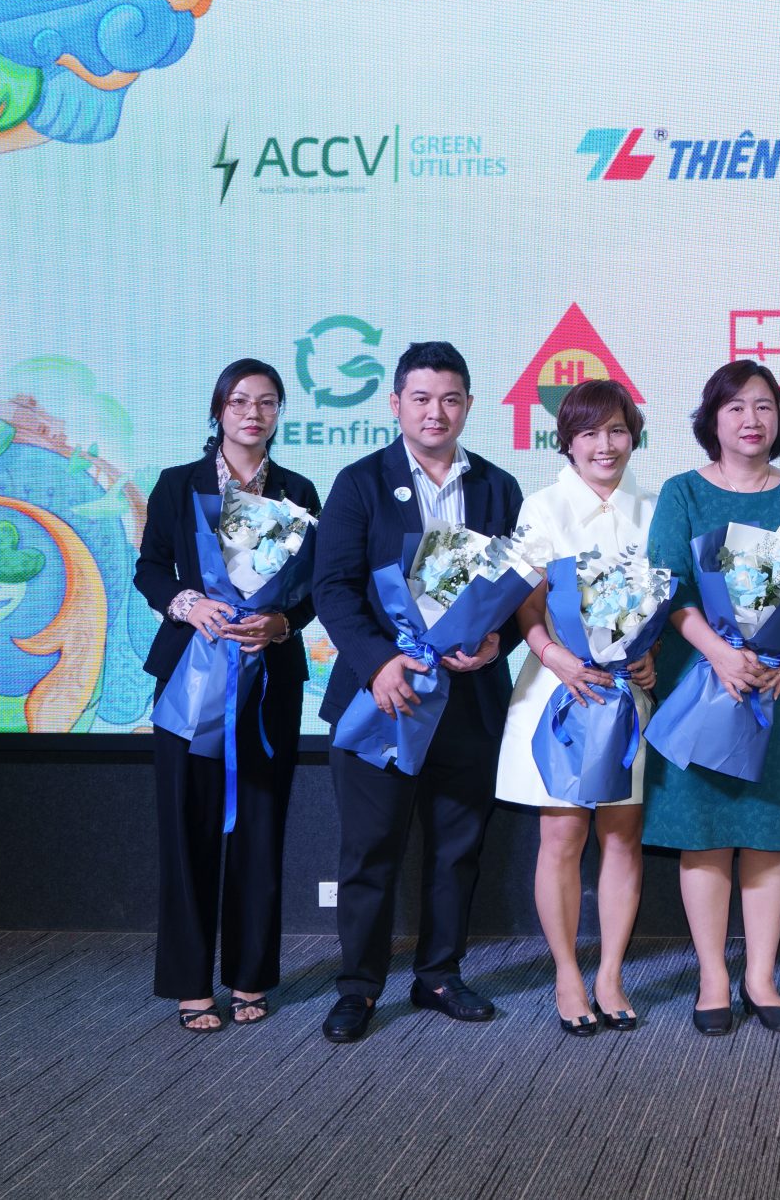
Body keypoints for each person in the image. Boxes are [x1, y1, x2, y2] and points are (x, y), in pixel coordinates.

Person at [311, 340, 522, 1044]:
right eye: (422, 398)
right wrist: (378, 663)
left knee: (457, 848)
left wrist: (497, 641)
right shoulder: (359, 483)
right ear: (396, 403)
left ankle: (438, 974)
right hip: (385, 697)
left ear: (469, 405)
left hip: (468, 698)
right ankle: (358, 987)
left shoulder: (498, 486)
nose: (437, 412)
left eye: (450, 398)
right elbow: (332, 587)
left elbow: (516, 589)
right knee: (369, 851)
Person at [134, 358, 322, 1032]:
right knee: (186, 832)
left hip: (268, 680)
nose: (252, 413)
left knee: (261, 831)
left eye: (266, 402)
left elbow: (316, 587)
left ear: (278, 414)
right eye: (239, 401)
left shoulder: (299, 491)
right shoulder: (177, 484)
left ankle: (249, 977)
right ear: (218, 410)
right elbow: (149, 569)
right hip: (191, 675)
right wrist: (189, 604)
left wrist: (281, 623)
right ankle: (190, 983)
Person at [643, 360, 780, 1035]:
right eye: (736, 407)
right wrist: (720, 653)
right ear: (712, 419)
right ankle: (713, 978)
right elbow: (667, 587)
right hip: (702, 683)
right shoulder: (683, 491)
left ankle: (761, 978)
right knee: (705, 835)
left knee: (767, 835)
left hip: (779, 688)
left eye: (764, 406)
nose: (752, 420)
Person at [495, 379, 660, 1036]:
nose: (604, 445)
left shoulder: (655, 508)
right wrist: (551, 654)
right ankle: (567, 974)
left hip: (627, 695)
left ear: (633, 436)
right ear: (566, 442)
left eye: (617, 430)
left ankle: (611, 973)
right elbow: (525, 600)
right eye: (589, 433)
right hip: (557, 690)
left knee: (622, 834)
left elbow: (665, 603)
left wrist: (652, 657)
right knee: (562, 835)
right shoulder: (543, 507)